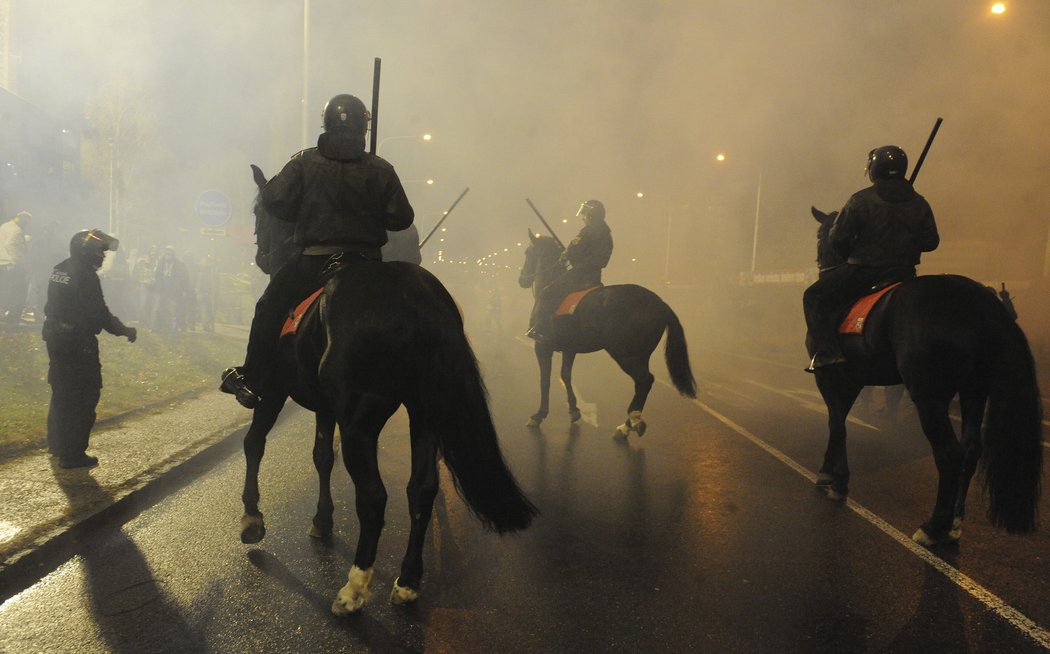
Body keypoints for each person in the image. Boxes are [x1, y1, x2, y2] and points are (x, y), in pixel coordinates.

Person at [221, 93, 414, 408]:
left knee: (269, 306)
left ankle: (253, 379)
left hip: (314, 262)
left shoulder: (303, 162)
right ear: (363, 128)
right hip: (366, 264)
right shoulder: (380, 168)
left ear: (325, 124)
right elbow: (402, 218)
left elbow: (273, 201)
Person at [802, 146, 939, 371]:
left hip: (865, 272)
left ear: (874, 169)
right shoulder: (919, 202)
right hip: (905, 273)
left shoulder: (860, 200)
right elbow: (931, 242)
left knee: (813, 296)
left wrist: (856, 249)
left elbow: (838, 240)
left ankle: (828, 353)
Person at [43, 229, 137, 468]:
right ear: (86, 251)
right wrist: (125, 330)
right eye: (100, 251)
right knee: (85, 395)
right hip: (78, 342)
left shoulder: (60, 268)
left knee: (62, 392)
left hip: (56, 338)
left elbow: (49, 305)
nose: (103, 256)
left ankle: (57, 444)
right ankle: (72, 454)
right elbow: (100, 313)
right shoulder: (85, 275)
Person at [526, 199, 613, 342]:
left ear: (591, 215)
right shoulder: (606, 233)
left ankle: (539, 328)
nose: (583, 218)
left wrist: (565, 255)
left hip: (580, 273)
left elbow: (574, 248)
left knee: (547, 292)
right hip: (594, 275)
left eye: (585, 215)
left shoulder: (588, 231)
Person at [0, 211, 32, 323]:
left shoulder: (5, 226)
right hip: (12, 264)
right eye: (27, 223)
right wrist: (21, 263)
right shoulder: (17, 230)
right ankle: (13, 316)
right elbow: (11, 244)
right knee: (18, 291)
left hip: (2, 263)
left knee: (4, 290)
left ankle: (4, 313)